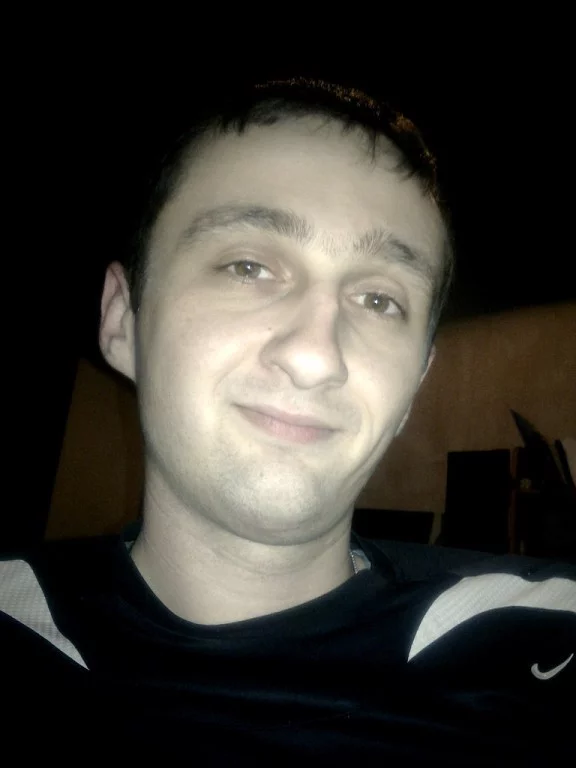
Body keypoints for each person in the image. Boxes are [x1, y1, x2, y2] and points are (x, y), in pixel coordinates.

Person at [1, 78, 574, 761]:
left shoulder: (536, 639)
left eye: (380, 300)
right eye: (248, 266)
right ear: (123, 319)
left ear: (414, 386)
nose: (315, 357)